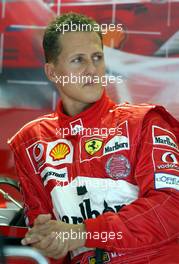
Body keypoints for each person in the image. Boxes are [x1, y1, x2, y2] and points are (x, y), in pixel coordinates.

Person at [8, 12, 179, 264]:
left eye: (97, 57)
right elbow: (49, 239)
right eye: (78, 60)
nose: (92, 70)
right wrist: (47, 241)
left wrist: (84, 233)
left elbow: (171, 206)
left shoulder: (144, 122)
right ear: (52, 72)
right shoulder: (31, 142)